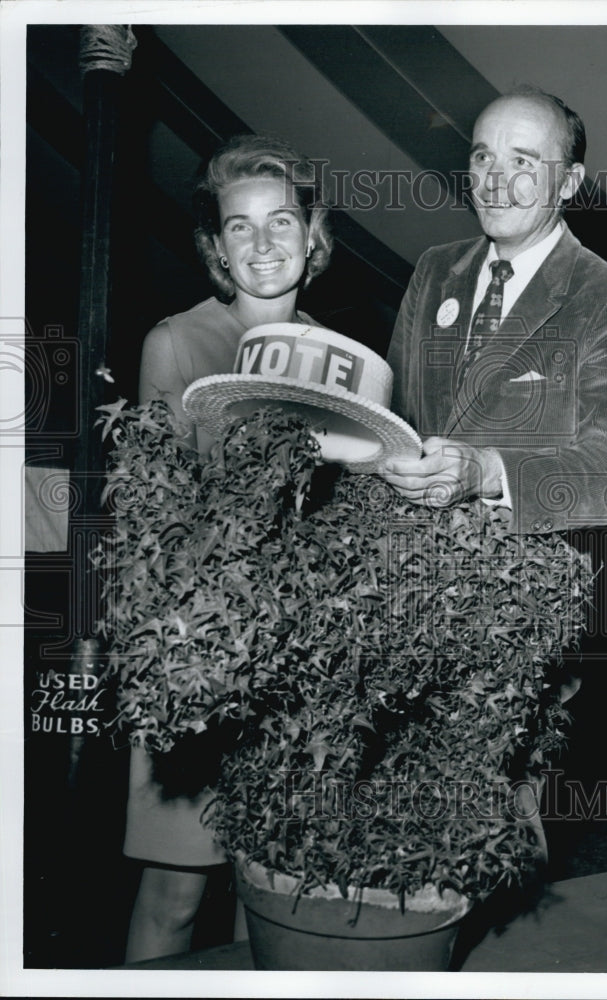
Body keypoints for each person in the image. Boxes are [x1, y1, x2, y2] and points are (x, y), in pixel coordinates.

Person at [124, 133, 333, 962]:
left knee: (276, 902)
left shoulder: (345, 361)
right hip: (203, 662)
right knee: (175, 899)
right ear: (216, 247)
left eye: (281, 221)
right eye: (240, 227)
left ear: (312, 236)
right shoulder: (175, 345)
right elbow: (152, 523)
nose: (264, 243)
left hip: (303, 673)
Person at [380, 86, 607, 534]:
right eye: (483, 157)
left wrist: (490, 473)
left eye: (522, 162)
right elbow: (392, 420)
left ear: (568, 182)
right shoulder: (434, 269)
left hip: (518, 583)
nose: (494, 181)